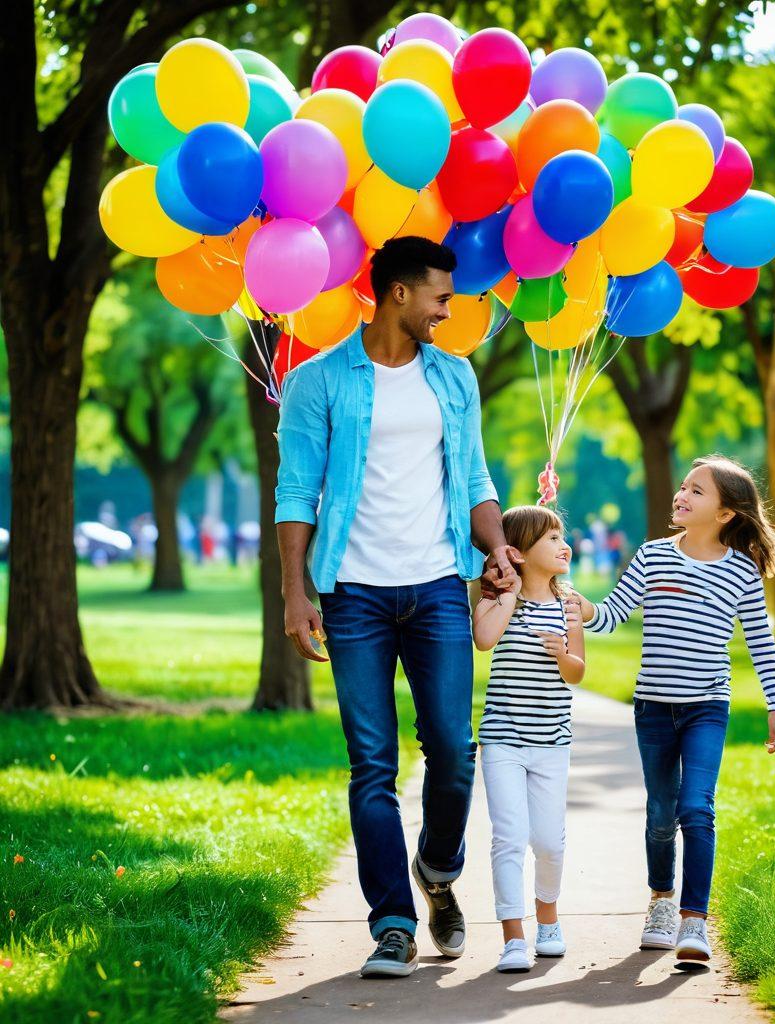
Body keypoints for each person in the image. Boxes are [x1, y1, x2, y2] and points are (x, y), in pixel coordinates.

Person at [275, 236, 520, 979]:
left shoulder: (455, 378)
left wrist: (499, 549)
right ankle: (391, 923)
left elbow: (474, 478)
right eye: (441, 298)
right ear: (400, 295)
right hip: (354, 593)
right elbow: (296, 492)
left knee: (452, 750)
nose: (450, 311)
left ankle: (437, 869)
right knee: (371, 762)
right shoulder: (319, 381)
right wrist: (295, 590)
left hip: (440, 583)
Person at [573, 455, 775, 967]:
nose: (682, 495)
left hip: (707, 707)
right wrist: (577, 605)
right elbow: (610, 616)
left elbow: (760, 641)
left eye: (697, 491)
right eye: (684, 486)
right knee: (659, 814)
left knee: (697, 808)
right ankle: (660, 904)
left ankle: (695, 921)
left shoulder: (742, 570)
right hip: (652, 708)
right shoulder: (652, 556)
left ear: (726, 514)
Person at [472, 506, 586, 973]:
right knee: (509, 837)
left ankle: (549, 921)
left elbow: (578, 672)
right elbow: (483, 640)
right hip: (503, 739)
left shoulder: (571, 605)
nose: (564, 545)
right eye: (551, 537)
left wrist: (564, 655)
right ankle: (513, 937)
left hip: (551, 742)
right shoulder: (498, 602)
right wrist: (509, 593)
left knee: (549, 842)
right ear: (517, 553)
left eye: (563, 534)